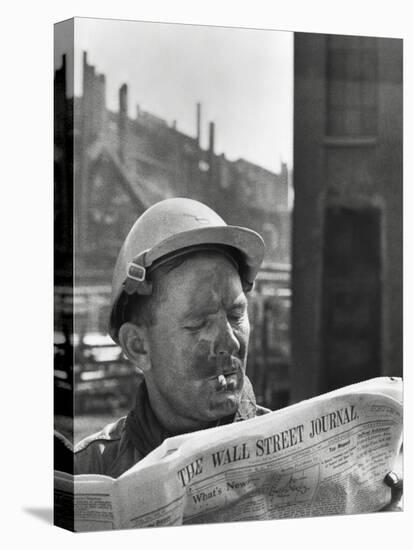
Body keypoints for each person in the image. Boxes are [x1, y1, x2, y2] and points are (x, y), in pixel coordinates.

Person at [74, 198, 401, 510]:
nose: (230, 341)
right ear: (138, 346)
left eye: (235, 315)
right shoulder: (88, 472)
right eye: (199, 323)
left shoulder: (306, 464)